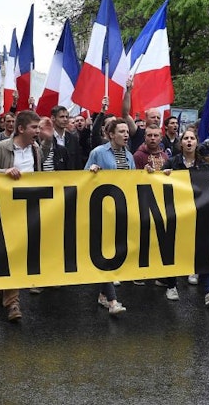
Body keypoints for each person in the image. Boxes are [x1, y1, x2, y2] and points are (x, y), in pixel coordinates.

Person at [0, 110, 45, 321]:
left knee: (17, 254)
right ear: (21, 129)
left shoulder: (36, 150)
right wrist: (3, 172)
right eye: (34, 127)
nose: (37, 131)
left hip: (27, 210)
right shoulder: (1, 148)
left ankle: (2, 291)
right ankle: (13, 303)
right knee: (10, 254)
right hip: (4, 209)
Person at [161, 128, 209, 307]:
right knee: (174, 249)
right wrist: (163, 175)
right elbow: (156, 182)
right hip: (176, 213)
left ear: (197, 143)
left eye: (192, 138)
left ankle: (208, 290)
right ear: (181, 143)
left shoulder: (205, 166)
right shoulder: (172, 162)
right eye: (186, 138)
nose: (189, 141)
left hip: (198, 214)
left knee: (202, 250)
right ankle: (171, 286)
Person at [84, 118, 132, 316]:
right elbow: (83, 176)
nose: (126, 134)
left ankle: (103, 295)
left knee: (111, 252)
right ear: (111, 134)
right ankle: (112, 301)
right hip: (101, 211)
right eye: (121, 131)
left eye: (127, 131)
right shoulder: (98, 152)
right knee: (104, 255)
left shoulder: (129, 155)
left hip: (120, 212)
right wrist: (92, 171)